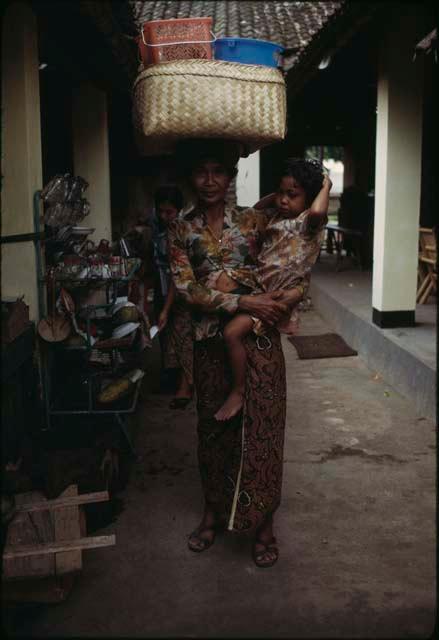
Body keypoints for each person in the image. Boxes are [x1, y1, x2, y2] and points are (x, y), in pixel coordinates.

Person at [167, 140, 304, 568]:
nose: (210, 180)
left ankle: (264, 525)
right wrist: (243, 302)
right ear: (191, 177)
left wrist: (282, 298)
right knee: (213, 433)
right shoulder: (181, 228)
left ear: (230, 177)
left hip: (260, 340)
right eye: (201, 171)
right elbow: (187, 288)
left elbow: (296, 241)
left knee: (263, 431)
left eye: (218, 171)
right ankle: (213, 514)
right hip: (210, 342)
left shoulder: (254, 220)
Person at [214, 159, 332, 421]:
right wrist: (279, 194)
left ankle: (238, 391)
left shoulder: (308, 223)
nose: (283, 200)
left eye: (293, 195)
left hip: (275, 297)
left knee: (231, 333)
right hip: (258, 288)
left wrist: (326, 184)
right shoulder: (275, 217)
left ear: (310, 198)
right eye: (281, 193)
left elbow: (316, 211)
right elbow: (256, 208)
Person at [152, 185, 194, 408]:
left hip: (182, 293)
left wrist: (166, 309)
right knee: (171, 340)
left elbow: (176, 278)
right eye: (161, 211)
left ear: (179, 210)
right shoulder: (160, 231)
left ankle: (185, 388)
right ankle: (178, 383)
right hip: (166, 290)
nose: (164, 216)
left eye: (169, 212)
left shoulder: (183, 230)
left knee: (184, 341)